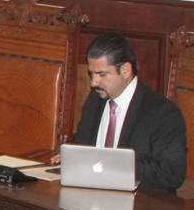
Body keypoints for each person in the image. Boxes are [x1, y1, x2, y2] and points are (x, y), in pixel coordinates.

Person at [64, 33, 187, 192]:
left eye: (102, 74)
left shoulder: (162, 113)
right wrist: (73, 156)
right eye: (91, 74)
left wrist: (117, 165)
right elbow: (83, 142)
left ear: (125, 70)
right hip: (92, 195)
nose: (94, 82)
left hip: (142, 201)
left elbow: (173, 173)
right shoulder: (95, 100)